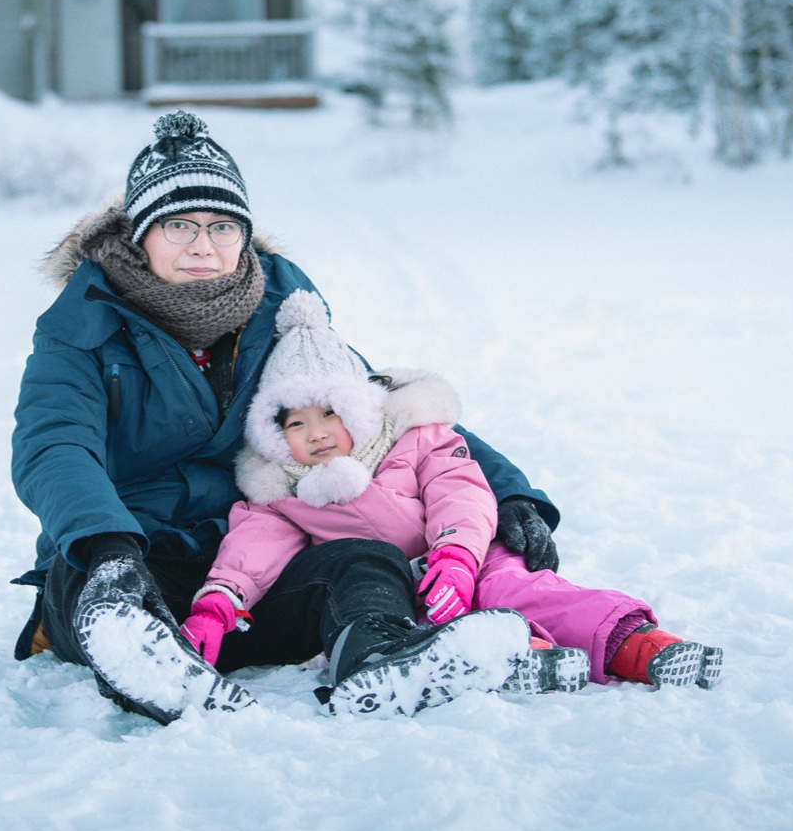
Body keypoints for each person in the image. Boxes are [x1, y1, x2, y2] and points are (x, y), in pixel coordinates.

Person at [10, 112, 557, 721]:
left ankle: (382, 658)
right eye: (179, 225)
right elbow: (55, 446)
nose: (202, 245)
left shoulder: (284, 315)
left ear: (244, 235)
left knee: (364, 560)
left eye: (222, 226)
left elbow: (380, 411)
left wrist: (509, 493)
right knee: (85, 580)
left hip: (257, 566)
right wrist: (107, 546)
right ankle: (146, 660)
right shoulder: (82, 330)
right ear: (141, 236)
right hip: (141, 553)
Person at [183, 291, 724, 693]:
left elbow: (460, 492)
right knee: (435, 631)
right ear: (274, 435)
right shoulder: (281, 491)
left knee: (515, 593)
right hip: (399, 586)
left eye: (330, 412)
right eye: (296, 424)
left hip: (471, 554)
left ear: (360, 409)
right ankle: (521, 658)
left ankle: (638, 645)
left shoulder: (415, 437)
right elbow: (252, 550)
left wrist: (458, 558)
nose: (317, 432)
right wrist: (216, 604)